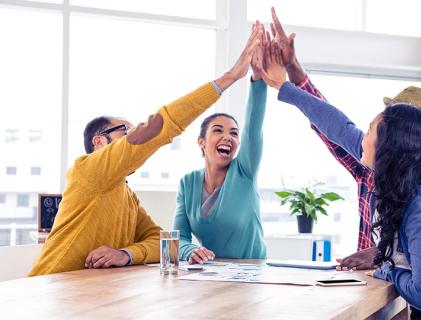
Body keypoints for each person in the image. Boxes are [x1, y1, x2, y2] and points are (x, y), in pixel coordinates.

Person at [259, 42, 421, 319]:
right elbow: (337, 125)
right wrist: (285, 85)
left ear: (394, 141)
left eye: (372, 128)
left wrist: (385, 263)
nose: (362, 136)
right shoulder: (401, 179)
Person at [28, 26, 262, 276]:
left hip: (90, 294)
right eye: (125, 132)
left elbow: (162, 243)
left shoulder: (127, 195)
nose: (134, 138)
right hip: (49, 287)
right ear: (99, 142)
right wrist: (229, 77)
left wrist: (125, 254)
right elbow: (163, 126)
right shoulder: (88, 170)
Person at [268, 7, 421, 270]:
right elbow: (330, 124)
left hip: (419, 299)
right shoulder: (370, 163)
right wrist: (292, 69)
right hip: (370, 290)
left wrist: (382, 253)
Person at [173, 22, 268, 264]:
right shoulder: (188, 183)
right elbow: (179, 237)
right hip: (212, 274)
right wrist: (189, 251)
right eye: (218, 130)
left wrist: (258, 78)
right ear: (201, 142)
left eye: (234, 134)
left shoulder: (244, 170)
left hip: (253, 274)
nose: (228, 137)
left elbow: (253, 128)